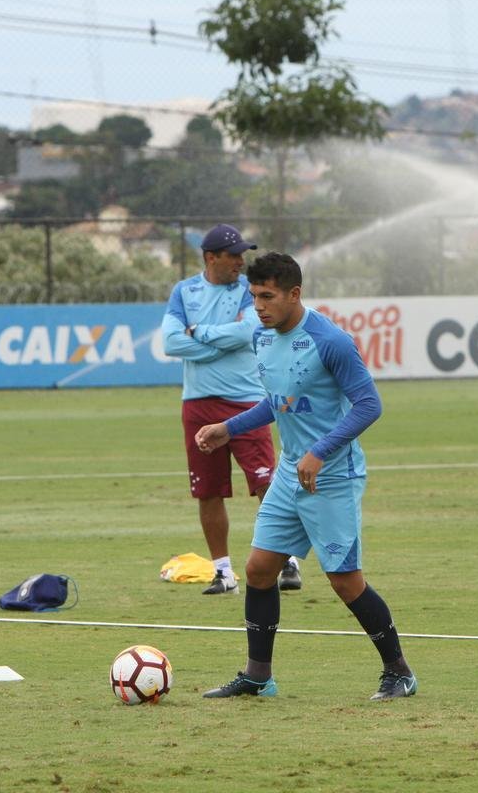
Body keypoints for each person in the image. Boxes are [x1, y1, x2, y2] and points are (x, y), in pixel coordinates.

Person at [196, 251, 417, 701]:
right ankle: (258, 676)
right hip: (289, 474)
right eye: (254, 296)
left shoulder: (330, 341)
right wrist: (229, 428)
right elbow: (279, 402)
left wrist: (320, 451)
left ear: (294, 294)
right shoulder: (261, 336)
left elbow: (369, 405)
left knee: (345, 581)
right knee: (259, 570)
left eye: (267, 296)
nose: (259, 306)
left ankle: (400, 673)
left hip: (332, 476)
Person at [161, 224, 301, 595]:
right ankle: (223, 573)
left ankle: (287, 559)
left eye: (242, 254)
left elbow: (247, 333)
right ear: (211, 257)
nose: (241, 261)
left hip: (246, 400)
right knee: (208, 492)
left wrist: (199, 333)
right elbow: (170, 342)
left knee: (266, 484)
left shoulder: (247, 290)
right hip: (198, 402)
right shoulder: (184, 291)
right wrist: (220, 343)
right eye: (234, 255)